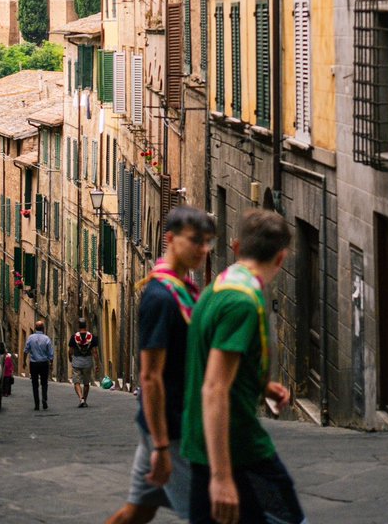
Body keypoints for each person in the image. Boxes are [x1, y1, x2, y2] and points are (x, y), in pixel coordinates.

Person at [182, 208, 306, 524]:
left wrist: (259, 383)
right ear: (281, 258)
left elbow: (215, 356)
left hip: (203, 445)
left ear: (236, 247)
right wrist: (222, 477)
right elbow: (214, 387)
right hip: (238, 450)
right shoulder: (243, 302)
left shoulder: (219, 287)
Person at [104, 205, 216, 524]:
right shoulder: (161, 297)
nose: (203, 249)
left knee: (138, 512)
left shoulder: (182, 290)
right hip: (173, 429)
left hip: (168, 423)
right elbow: (150, 377)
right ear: (170, 239)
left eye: (208, 242)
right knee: (207, 514)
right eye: (196, 240)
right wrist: (162, 446)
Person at [22, 320, 54, 411]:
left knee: (34, 384)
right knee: (44, 383)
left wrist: (24, 361)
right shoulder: (47, 339)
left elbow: (26, 351)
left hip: (34, 364)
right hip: (44, 363)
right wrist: (51, 363)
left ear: (35, 328)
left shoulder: (30, 338)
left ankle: (36, 404)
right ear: (43, 328)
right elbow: (50, 353)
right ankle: (44, 399)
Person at [68, 316, 100, 407]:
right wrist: (97, 364)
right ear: (86, 326)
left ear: (79, 326)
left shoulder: (74, 337)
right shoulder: (91, 337)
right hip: (88, 362)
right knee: (86, 383)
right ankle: (84, 400)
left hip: (77, 361)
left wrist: (70, 358)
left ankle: (81, 398)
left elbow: (70, 351)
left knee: (76, 382)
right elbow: (95, 352)